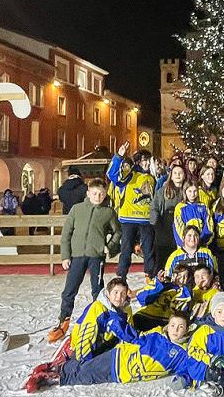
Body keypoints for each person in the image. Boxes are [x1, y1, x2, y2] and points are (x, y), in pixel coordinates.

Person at [26, 311, 192, 392]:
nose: (175, 330)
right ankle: (50, 376)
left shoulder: (181, 352)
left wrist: (184, 379)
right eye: (173, 325)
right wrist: (115, 324)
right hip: (119, 358)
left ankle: (56, 371)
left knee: (89, 374)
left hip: (124, 374)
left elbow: (187, 367)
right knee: (86, 372)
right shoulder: (157, 335)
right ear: (168, 326)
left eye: (180, 327)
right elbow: (135, 338)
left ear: (187, 329)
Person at [48, 178, 121, 343]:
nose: (98, 197)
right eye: (94, 193)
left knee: (98, 290)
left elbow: (118, 231)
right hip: (78, 256)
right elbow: (66, 234)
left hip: (96, 256)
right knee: (69, 290)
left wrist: (109, 246)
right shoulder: (77, 209)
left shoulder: (108, 212)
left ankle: (99, 322)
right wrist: (65, 256)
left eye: (101, 194)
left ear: (105, 194)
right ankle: (63, 322)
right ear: (88, 193)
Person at [107, 142, 157, 279]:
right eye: (144, 160)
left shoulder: (151, 178)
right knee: (126, 249)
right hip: (129, 219)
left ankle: (150, 277)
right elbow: (112, 175)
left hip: (146, 220)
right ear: (138, 162)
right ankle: (121, 277)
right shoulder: (130, 175)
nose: (147, 163)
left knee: (148, 250)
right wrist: (119, 156)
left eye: (149, 160)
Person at [67, 277, 135, 362]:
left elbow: (130, 332)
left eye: (123, 293)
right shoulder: (97, 308)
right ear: (108, 293)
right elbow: (86, 337)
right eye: (116, 292)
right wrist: (84, 361)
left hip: (106, 344)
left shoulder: (126, 310)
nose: (119, 297)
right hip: (82, 346)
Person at [150, 164, 185, 271]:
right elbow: (155, 207)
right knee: (162, 258)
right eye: (175, 173)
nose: (178, 175)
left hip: (182, 226)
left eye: (180, 173)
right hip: (165, 225)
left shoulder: (187, 190)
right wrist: (155, 223)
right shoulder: (163, 191)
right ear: (171, 176)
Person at [173, 181, 213, 247]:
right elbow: (177, 227)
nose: (192, 194)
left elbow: (209, 225)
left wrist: (201, 241)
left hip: (201, 244)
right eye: (190, 191)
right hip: (185, 247)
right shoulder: (180, 207)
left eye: (195, 191)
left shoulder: (203, 206)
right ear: (185, 191)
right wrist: (186, 243)